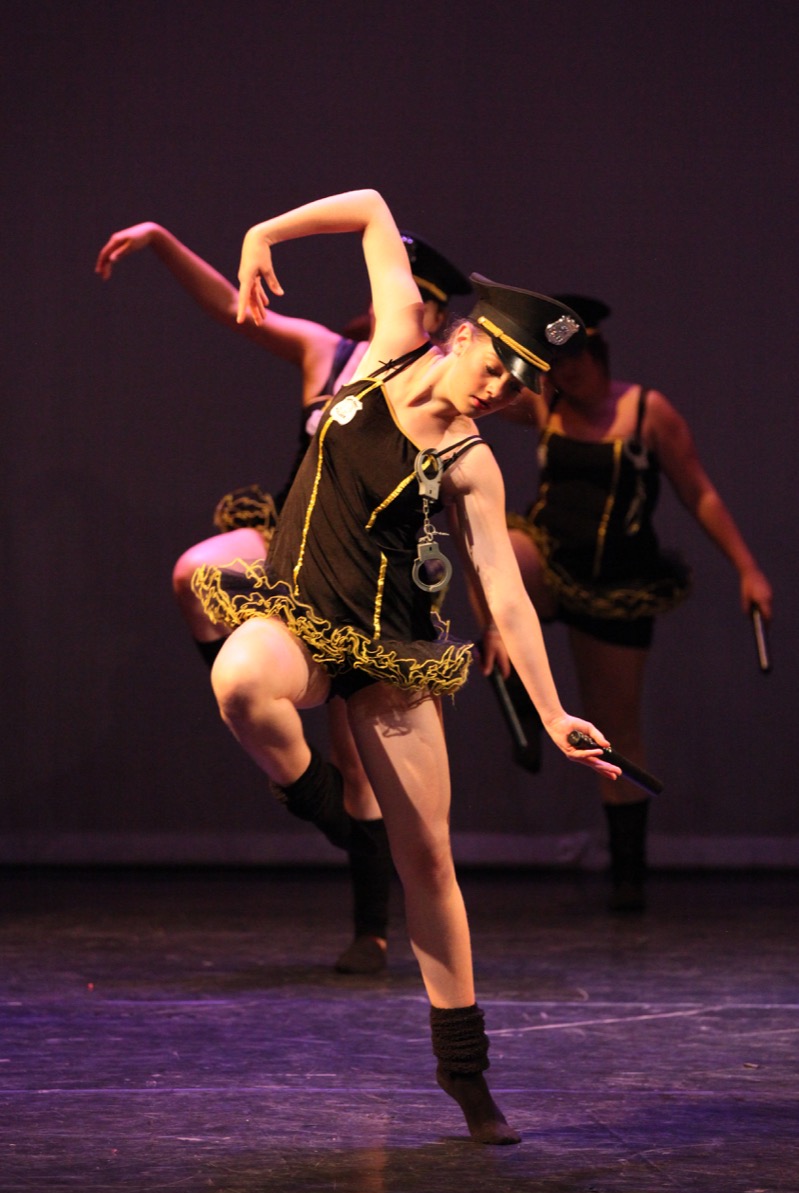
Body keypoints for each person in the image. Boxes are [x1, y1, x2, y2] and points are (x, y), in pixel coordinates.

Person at [190, 188, 622, 1144]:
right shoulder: (390, 343)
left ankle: (465, 1075)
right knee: (239, 679)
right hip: (301, 616)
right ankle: (318, 803)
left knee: (427, 860)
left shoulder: (471, 460)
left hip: (393, 652)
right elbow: (371, 209)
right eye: (496, 364)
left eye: (519, 382)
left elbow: (504, 594)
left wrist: (552, 713)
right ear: (461, 336)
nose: (500, 388)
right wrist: (261, 232)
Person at [95, 221, 471, 975]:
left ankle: (370, 931)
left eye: (407, 297)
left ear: (430, 313)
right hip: (289, 538)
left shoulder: (432, 382)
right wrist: (163, 242)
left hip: (363, 576)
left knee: (359, 764)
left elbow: (464, 502)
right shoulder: (325, 353)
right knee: (193, 573)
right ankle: (287, 753)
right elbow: (233, 309)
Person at [478, 295, 773, 912]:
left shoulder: (646, 411)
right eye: (558, 366)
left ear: (600, 355)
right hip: (552, 559)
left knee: (614, 731)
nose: (569, 375)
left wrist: (747, 568)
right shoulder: (546, 402)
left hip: (617, 585)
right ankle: (516, 688)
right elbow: (476, 392)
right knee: (502, 549)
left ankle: (628, 874)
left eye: (578, 362)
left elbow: (699, 492)